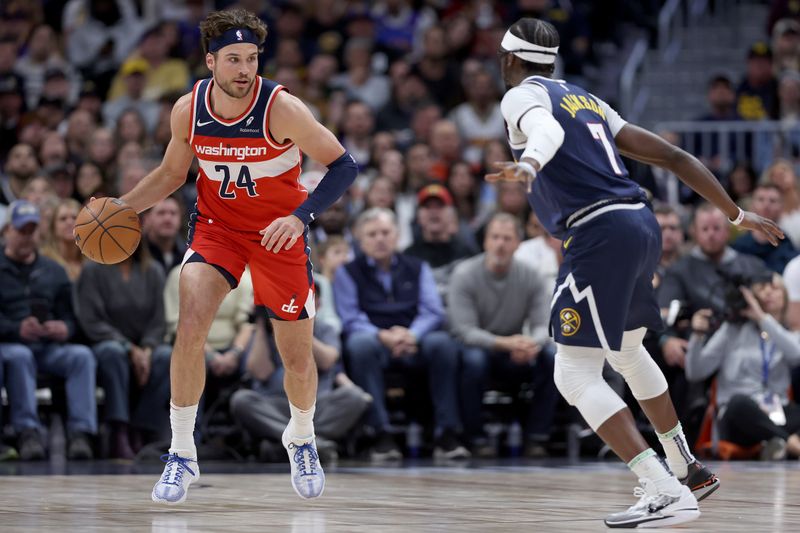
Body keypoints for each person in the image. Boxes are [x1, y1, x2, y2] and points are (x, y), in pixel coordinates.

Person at [491, 18, 782, 528]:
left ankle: (660, 487)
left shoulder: (520, 97)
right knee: (626, 350)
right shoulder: (588, 100)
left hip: (600, 231)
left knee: (573, 372)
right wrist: (737, 214)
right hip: (641, 226)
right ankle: (684, 465)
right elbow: (673, 155)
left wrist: (530, 164)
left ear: (508, 60)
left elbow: (547, 130)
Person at [106, 8, 357, 504]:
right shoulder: (188, 108)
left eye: (252, 58)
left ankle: (301, 436)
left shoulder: (281, 108)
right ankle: (182, 452)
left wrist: (300, 217)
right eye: (234, 59)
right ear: (211, 62)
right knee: (190, 327)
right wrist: (121, 208)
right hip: (217, 230)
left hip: (278, 236)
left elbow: (344, 166)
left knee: (298, 358)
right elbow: (172, 174)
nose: (245, 68)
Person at [333, 207, 469, 461]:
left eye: (385, 232)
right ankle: (380, 434)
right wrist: (383, 336)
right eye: (372, 234)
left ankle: (446, 433)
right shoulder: (347, 272)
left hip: (414, 341)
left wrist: (412, 335)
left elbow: (432, 311)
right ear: (361, 241)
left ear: (396, 236)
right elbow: (350, 317)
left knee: (443, 344)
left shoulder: (417, 267)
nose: (380, 239)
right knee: (359, 345)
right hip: (376, 343)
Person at [448, 213, 558, 457]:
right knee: (473, 360)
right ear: (485, 241)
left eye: (507, 238)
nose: (500, 244)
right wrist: (505, 343)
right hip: (481, 349)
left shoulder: (531, 275)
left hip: (517, 351)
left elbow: (544, 326)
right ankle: (475, 438)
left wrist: (531, 344)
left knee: (551, 357)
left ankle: (537, 437)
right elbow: (464, 331)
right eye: (495, 237)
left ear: (518, 243)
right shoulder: (464, 273)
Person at [0, 200, 97, 461]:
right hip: (10, 344)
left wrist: (64, 328)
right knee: (19, 356)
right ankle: (27, 430)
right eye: (21, 230)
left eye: (31, 231)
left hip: (47, 345)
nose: (26, 237)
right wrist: (15, 328)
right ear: (6, 231)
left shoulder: (54, 271)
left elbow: (72, 317)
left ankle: (81, 432)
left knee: (81, 356)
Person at [75, 242, 172, 459]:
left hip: (145, 346)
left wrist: (146, 349)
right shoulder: (93, 269)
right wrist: (128, 347)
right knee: (113, 353)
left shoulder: (153, 270)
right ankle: (119, 431)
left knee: (165, 357)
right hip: (105, 343)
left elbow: (158, 321)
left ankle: (142, 428)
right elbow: (90, 320)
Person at [686, 275, 800, 459]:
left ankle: (774, 444)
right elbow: (695, 372)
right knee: (739, 404)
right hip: (739, 417)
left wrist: (763, 319)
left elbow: (796, 355)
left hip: (777, 412)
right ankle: (790, 444)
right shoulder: (731, 330)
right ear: (751, 297)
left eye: (775, 288)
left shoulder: (789, 334)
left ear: (786, 296)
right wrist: (697, 336)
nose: (769, 292)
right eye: (762, 288)